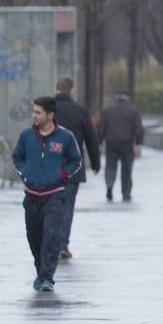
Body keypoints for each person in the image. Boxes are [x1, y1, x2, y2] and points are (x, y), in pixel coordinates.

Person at [12, 96, 82, 292]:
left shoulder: (65, 137)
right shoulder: (26, 136)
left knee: (51, 237)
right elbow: (17, 158)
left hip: (55, 195)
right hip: (32, 195)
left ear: (50, 115)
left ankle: (47, 277)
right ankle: (40, 271)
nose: (34, 115)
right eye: (33, 112)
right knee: (34, 237)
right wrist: (25, 174)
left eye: (38, 112)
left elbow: (75, 161)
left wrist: (62, 174)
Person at [51, 77, 100, 258]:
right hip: (72, 166)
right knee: (67, 205)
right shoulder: (80, 110)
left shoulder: (48, 110)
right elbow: (91, 137)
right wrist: (95, 162)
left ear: (56, 88)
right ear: (72, 90)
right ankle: (63, 244)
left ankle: (50, 243)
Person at [99, 91, 144, 202]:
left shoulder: (107, 110)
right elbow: (139, 129)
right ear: (127, 98)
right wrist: (138, 143)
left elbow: (101, 127)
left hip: (111, 143)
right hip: (127, 143)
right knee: (127, 170)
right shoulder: (133, 111)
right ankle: (126, 193)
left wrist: (100, 141)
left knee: (110, 167)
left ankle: (109, 186)